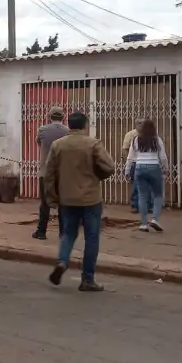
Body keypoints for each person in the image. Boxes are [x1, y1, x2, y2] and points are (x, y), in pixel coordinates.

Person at [44, 111, 115, 292]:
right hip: (91, 198)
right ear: (85, 125)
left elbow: (49, 174)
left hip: (67, 199)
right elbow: (109, 167)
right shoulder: (93, 143)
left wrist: (52, 198)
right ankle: (88, 279)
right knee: (91, 238)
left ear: (69, 125)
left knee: (68, 234)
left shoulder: (57, 145)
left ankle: (62, 262)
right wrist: (98, 175)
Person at [124, 118, 168, 232]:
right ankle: (154, 219)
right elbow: (163, 157)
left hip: (139, 168)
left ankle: (143, 224)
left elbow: (130, 157)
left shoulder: (136, 140)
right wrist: (166, 169)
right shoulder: (157, 140)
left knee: (142, 196)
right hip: (154, 167)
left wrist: (127, 171)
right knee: (158, 194)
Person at [32, 106, 68, 240]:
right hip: (63, 173)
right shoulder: (68, 131)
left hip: (45, 173)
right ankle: (63, 233)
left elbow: (39, 143)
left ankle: (41, 232)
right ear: (62, 117)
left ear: (49, 117)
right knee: (63, 203)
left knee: (45, 204)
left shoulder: (42, 130)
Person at [121, 118, 146, 213]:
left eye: (142, 123)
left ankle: (148, 205)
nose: (140, 125)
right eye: (138, 123)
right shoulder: (130, 135)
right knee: (136, 185)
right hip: (135, 163)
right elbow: (125, 149)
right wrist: (128, 164)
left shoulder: (151, 135)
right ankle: (135, 205)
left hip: (147, 162)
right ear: (135, 124)